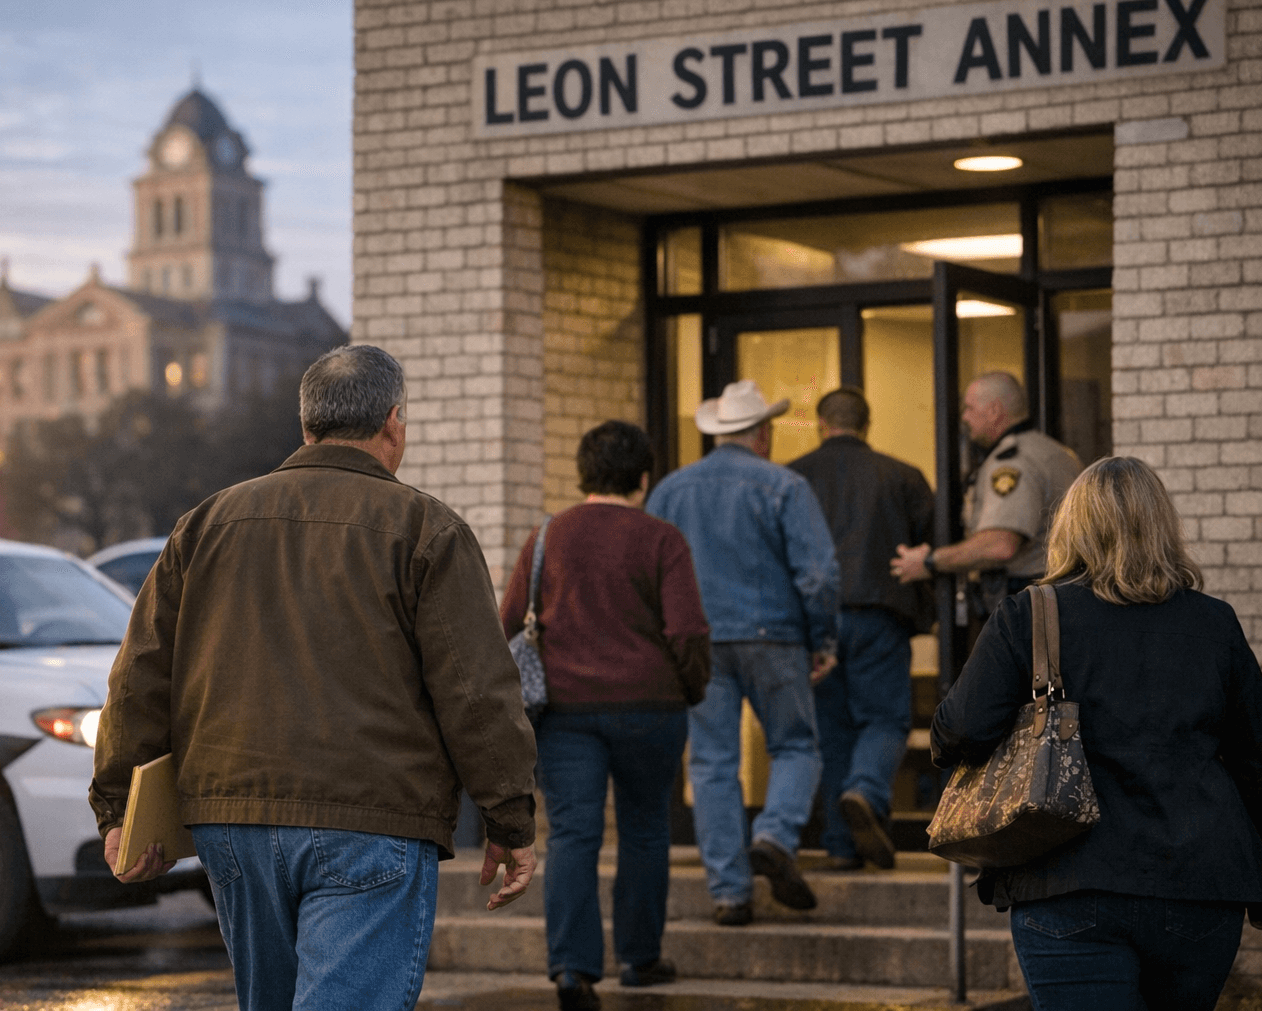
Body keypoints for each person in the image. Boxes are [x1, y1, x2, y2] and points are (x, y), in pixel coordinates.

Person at [88, 344, 539, 1011]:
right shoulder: (427, 530)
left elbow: (138, 676)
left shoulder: (206, 524)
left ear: (306, 426)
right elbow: (476, 691)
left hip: (233, 821)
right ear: (393, 423)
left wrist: (117, 807)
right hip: (371, 816)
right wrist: (509, 816)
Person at [932, 456, 1262, 1010]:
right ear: (1164, 527)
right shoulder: (1214, 623)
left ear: (1072, 528)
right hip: (1199, 887)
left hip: (1068, 880)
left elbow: (961, 730)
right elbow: (1256, 761)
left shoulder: (1031, 616)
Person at [500, 420, 712, 1011]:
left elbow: (508, 621)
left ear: (583, 473)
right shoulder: (662, 538)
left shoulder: (547, 536)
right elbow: (688, 630)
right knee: (645, 829)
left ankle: (573, 969)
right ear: (644, 478)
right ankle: (640, 959)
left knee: (573, 834)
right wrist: (691, 688)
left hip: (565, 713)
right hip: (652, 708)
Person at [647, 379, 840, 922]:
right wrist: (823, 638)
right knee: (796, 746)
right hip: (775, 636)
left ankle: (730, 893)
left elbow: (651, 573)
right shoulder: (785, 485)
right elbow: (819, 575)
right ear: (762, 434)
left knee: (712, 764)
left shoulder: (670, 491)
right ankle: (775, 836)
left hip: (699, 644)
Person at [788, 388, 933, 872]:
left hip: (816, 619)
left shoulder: (794, 477)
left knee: (831, 733)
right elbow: (929, 551)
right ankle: (866, 791)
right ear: (867, 424)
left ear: (820, 424)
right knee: (885, 720)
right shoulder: (903, 476)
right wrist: (925, 617)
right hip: (879, 615)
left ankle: (840, 845)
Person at [891, 371, 1080, 605]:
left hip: (1027, 599)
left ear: (993, 411)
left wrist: (930, 561)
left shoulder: (1012, 463)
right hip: (1059, 595)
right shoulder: (1055, 452)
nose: (965, 417)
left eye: (969, 408)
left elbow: (999, 545)